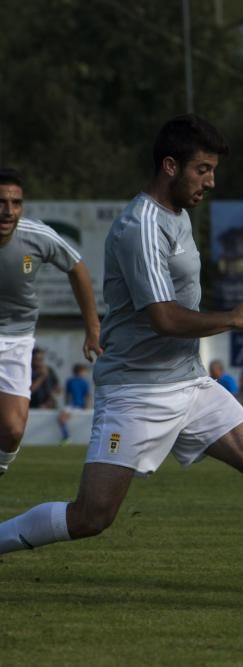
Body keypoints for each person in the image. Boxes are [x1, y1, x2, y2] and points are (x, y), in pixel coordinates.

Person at [0, 115, 243, 608]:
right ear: (170, 166)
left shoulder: (179, 212)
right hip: (136, 391)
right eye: (203, 170)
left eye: (213, 170)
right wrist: (231, 319)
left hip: (189, 383)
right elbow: (164, 319)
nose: (210, 182)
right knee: (92, 516)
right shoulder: (140, 226)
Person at [0, 168, 101, 476]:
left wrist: (93, 327)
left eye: (15, 203)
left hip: (16, 339)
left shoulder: (37, 236)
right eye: (1, 202)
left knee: (14, 430)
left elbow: (77, 268)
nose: (8, 211)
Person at [57, 363, 91, 444]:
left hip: (74, 405)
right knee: (61, 418)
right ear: (80, 371)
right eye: (85, 372)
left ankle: (67, 437)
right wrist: (87, 406)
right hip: (77, 405)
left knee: (61, 419)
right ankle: (66, 437)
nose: (86, 374)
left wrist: (66, 405)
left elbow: (67, 395)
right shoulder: (84, 382)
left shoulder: (70, 381)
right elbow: (88, 396)